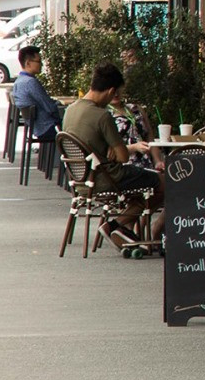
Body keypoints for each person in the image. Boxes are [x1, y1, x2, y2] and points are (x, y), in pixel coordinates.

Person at [61, 63, 162, 251]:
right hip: (108, 178)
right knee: (164, 183)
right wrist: (114, 149)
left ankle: (123, 232)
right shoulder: (102, 116)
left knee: (139, 188)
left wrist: (109, 147)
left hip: (81, 179)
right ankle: (115, 226)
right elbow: (123, 157)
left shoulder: (70, 110)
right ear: (111, 91)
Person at [9, 45, 62, 141]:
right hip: (47, 128)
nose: (41, 64)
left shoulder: (19, 81)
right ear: (28, 63)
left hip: (36, 128)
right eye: (38, 61)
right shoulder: (30, 82)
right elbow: (49, 107)